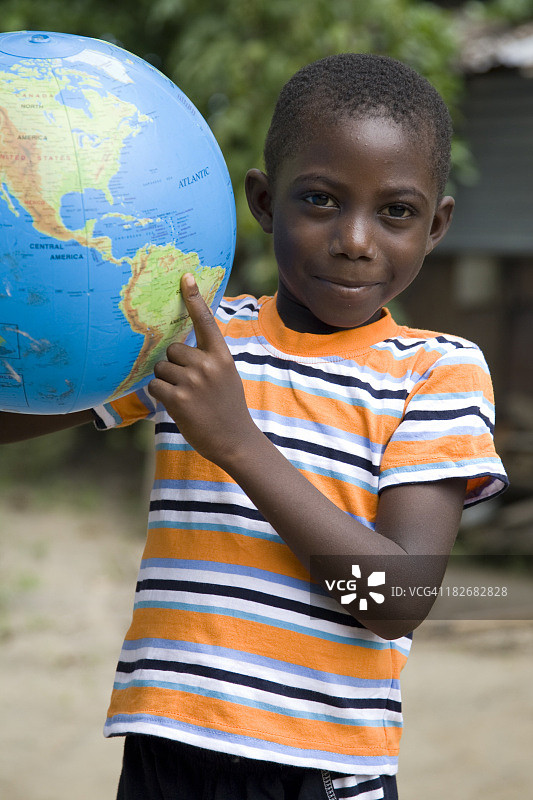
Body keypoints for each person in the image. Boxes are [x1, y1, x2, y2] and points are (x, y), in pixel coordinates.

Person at [0, 53, 508, 800]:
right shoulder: (190, 336)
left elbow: (396, 598)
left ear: (435, 225)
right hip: (166, 754)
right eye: (320, 201)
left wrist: (238, 444)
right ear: (265, 204)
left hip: (321, 774)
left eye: (394, 211)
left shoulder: (435, 371)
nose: (355, 240)